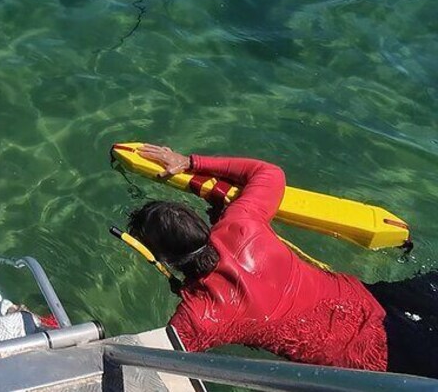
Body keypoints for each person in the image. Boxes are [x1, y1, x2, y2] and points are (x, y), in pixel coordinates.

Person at [126, 143, 438, 378]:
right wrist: (190, 162)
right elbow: (268, 173)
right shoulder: (242, 224)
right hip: (374, 301)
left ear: (162, 258)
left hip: (373, 362)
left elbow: (155, 368)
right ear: (199, 223)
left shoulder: (199, 316)